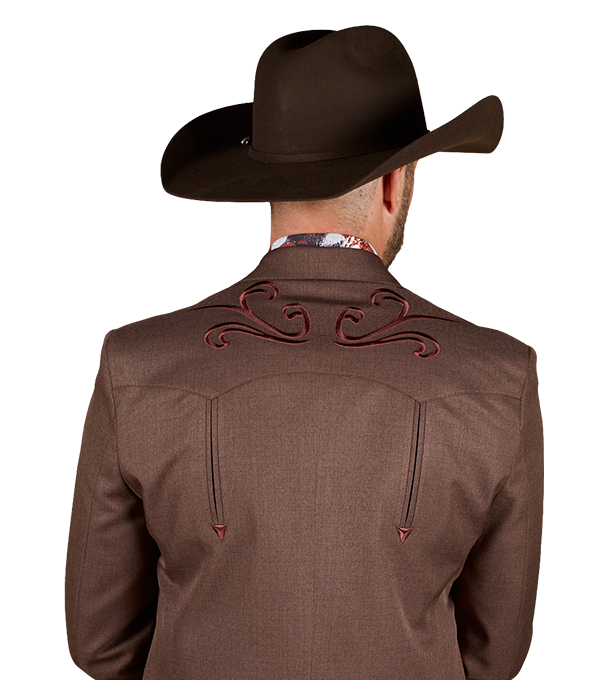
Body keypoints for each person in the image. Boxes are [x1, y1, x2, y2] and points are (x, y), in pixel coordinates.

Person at [65, 26, 543, 680]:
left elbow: (101, 643)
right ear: (394, 184)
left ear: (267, 181)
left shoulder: (137, 365)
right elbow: (494, 655)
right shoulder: (501, 378)